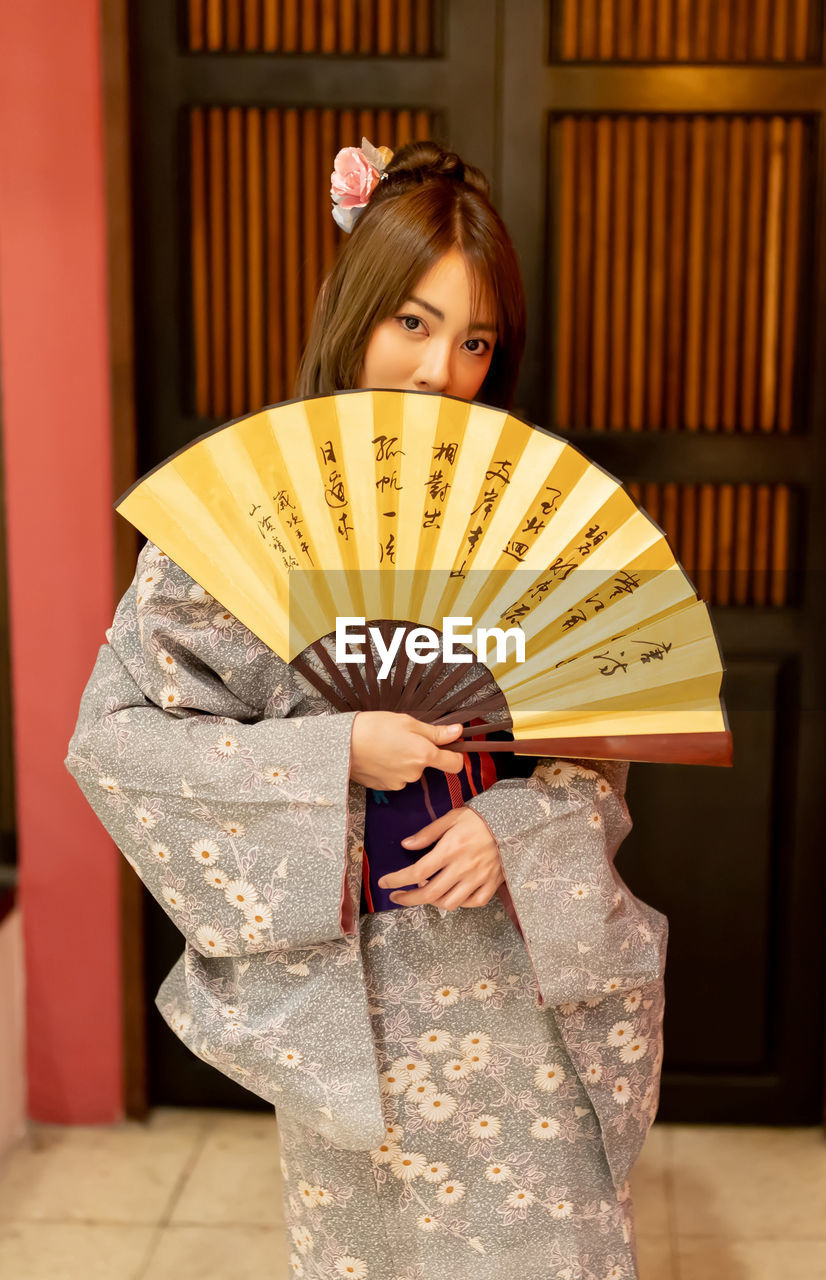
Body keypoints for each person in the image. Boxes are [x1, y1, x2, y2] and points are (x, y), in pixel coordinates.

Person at [65, 138, 668, 1279]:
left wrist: (517, 823)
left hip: (520, 974)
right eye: (411, 321)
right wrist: (335, 746)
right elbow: (121, 740)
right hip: (362, 1000)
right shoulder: (241, 517)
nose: (440, 367)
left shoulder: (533, 512)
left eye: (475, 338)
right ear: (351, 314)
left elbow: (604, 746)